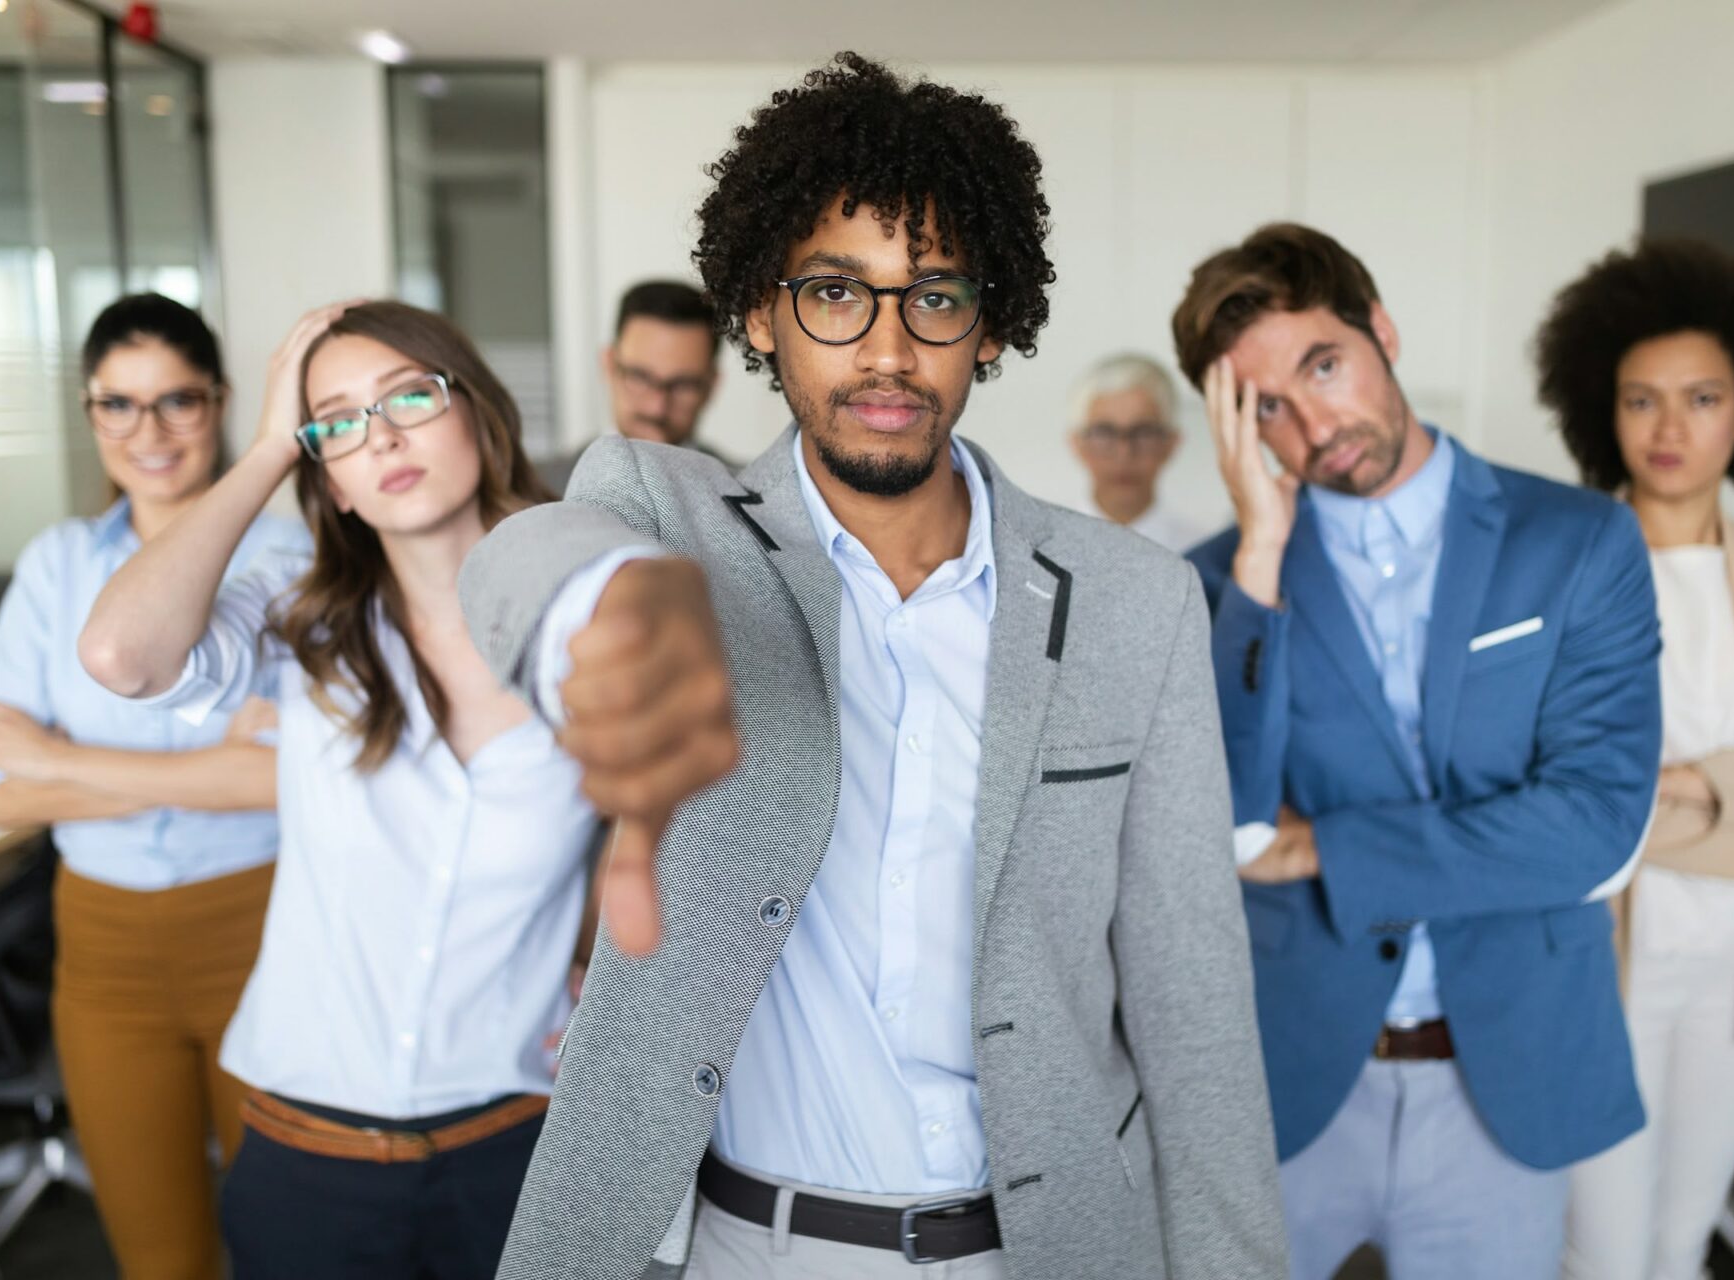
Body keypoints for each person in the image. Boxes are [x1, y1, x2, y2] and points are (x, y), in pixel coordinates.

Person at [461, 52, 1287, 1280]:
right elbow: (529, 561)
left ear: (990, 322)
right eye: (836, 294)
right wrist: (612, 610)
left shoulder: (1135, 602)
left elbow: (1197, 1014)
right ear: (758, 314)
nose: (889, 351)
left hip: (1039, 1248)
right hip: (741, 1245)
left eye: (935, 297)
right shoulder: (663, 514)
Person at [1176, 222, 1661, 1279]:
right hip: (1290, 1070)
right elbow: (1228, 828)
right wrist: (1259, 548)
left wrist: (1330, 850)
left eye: (1323, 365)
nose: (1312, 422)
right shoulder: (1218, 583)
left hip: (1504, 1071)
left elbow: (1591, 825)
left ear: (1381, 330)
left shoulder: (1577, 541)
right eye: (1267, 405)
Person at [77, 300, 591, 1279]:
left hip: (523, 1154)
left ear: (476, 411)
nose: (383, 433)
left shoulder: (592, 611)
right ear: (332, 480)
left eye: (408, 394)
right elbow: (119, 654)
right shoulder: (301, 625)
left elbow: (670, 809)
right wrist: (271, 445)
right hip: (307, 1166)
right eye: (338, 421)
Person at [1536, 238, 1734, 1280]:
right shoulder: (1562, 561)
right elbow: (1549, 786)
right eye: (1642, 399)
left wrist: (1690, 778)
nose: (1671, 427)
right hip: (1603, 946)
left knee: (1679, 1242)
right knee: (1601, 1247)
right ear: (1605, 409)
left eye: (1702, 396)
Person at [0, 293, 305, 1280]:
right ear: (90, 412)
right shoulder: (56, 566)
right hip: (102, 949)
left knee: (287, 1245)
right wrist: (213, 772)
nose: (147, 432)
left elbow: (289, 782)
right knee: (158, 1259)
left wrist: (60, 757)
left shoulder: (291, 560)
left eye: (177, 402)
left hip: (263, 931)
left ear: (223, 401)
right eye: (118, 404)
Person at [1068, 353, 1208, 551]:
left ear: (1171, 443)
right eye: (1104, 433)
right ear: (1076, 443)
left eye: (1143, 432)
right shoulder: (1039, 548)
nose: (1124, 453)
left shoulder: (1199, 554)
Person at [602, 279, 727, 460]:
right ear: (609, 364)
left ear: (712, 386)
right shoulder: (547, 483)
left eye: (683, 385)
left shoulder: (743, 486)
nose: (657, 408)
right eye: (640, 377)